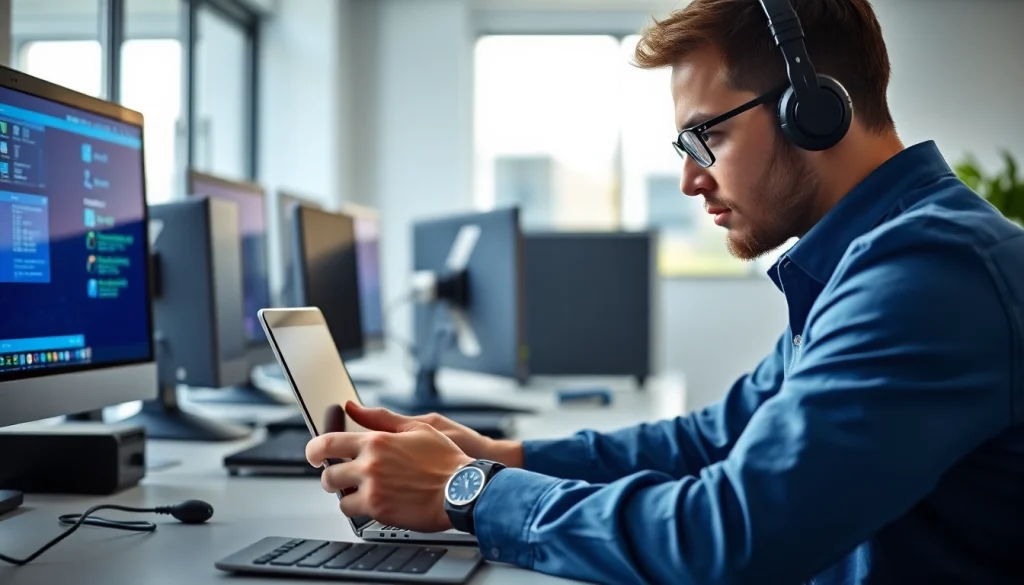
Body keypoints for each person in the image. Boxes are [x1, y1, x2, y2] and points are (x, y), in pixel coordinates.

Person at [305, 1, 1024, 583]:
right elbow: (711, 439)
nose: (690, 178)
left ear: (811, 109)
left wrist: (468, 490)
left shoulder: (929, 272)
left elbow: (734, 536)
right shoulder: (870, 258)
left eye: (704, 137)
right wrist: (499, 453)